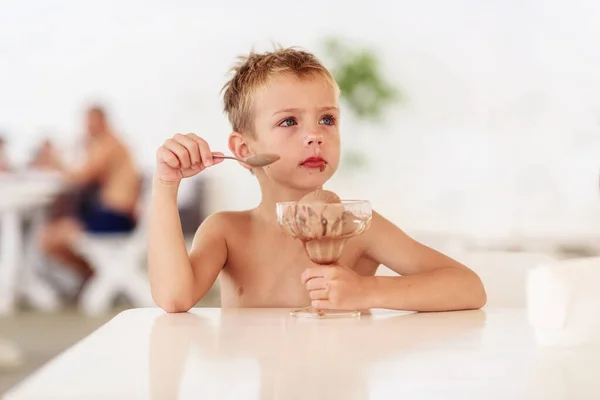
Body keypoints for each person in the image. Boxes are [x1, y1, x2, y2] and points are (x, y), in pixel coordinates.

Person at [148, 47, 487, 313]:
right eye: (289, 122)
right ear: (243, 148)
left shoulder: (358, 226)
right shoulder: (226, 233)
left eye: (327, 119)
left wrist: (368, 292)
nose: (315, 135)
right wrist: (166, 185)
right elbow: (174, 299)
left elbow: (468, 287)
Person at [37, 106, 141, 284]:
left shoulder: (109, 144)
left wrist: (55, 160)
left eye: (90, 123)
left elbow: (80, 177)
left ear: (102, 121)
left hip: (116, 217)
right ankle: (95, 276)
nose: (87, 129)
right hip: (115, 214)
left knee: (48, 238)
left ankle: (92, 276)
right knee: (50, 237)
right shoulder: (109, 144)